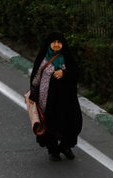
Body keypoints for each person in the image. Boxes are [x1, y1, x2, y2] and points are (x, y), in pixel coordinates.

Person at [29, 32, 82, 161]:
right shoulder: (43, 59)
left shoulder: (67, 58)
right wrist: (33, 95)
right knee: (51, 125)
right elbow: (35, 79)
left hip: (67, 100)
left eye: (59, 42)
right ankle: (53, 150)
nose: (57, 45)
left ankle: (65, 146)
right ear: (49, 44)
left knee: (71, 123)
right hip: (48, 100)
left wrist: (64, 73)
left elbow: (76, 73)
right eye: (54, 42)